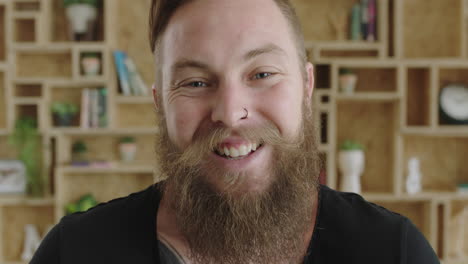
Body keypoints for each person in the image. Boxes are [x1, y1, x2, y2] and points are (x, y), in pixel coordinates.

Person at [31, 0, 440, 263]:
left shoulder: (392, 252)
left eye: (262, 73)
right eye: (194, 82)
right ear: (160, 103)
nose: (230, 112)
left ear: (307, 86)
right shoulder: (76, 252)